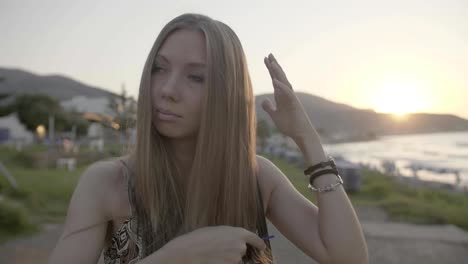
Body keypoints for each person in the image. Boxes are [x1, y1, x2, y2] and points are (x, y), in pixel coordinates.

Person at [48, 13, 368, 264]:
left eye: (195, 77)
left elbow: (348, 258)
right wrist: (175, 258)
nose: (167, 90)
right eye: (159, 69)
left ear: (225, 93)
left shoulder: (255, 177)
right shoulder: (106, 183)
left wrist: (306, 137)